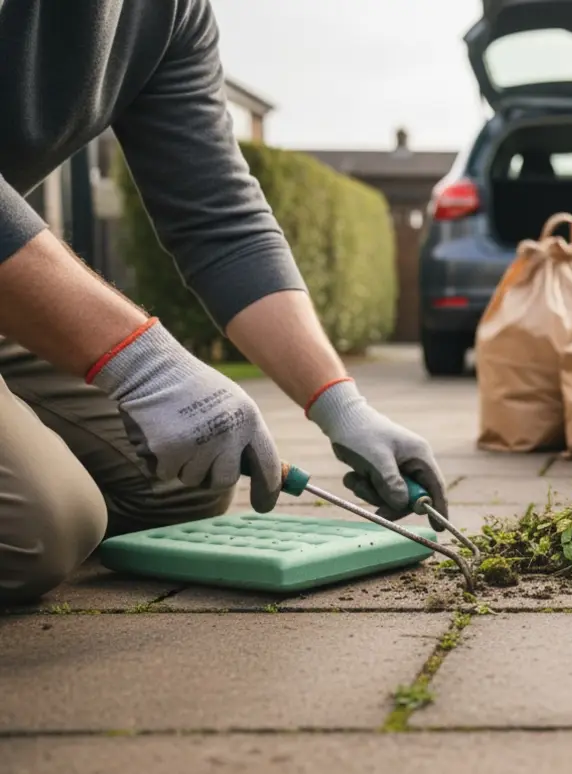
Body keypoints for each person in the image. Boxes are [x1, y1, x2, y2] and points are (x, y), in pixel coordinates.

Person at [0, 0, 449, 606]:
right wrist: (144, 365)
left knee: (178, 487)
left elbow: (221, 221)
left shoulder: (167, 12)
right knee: (37, 530)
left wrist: (343, 407)